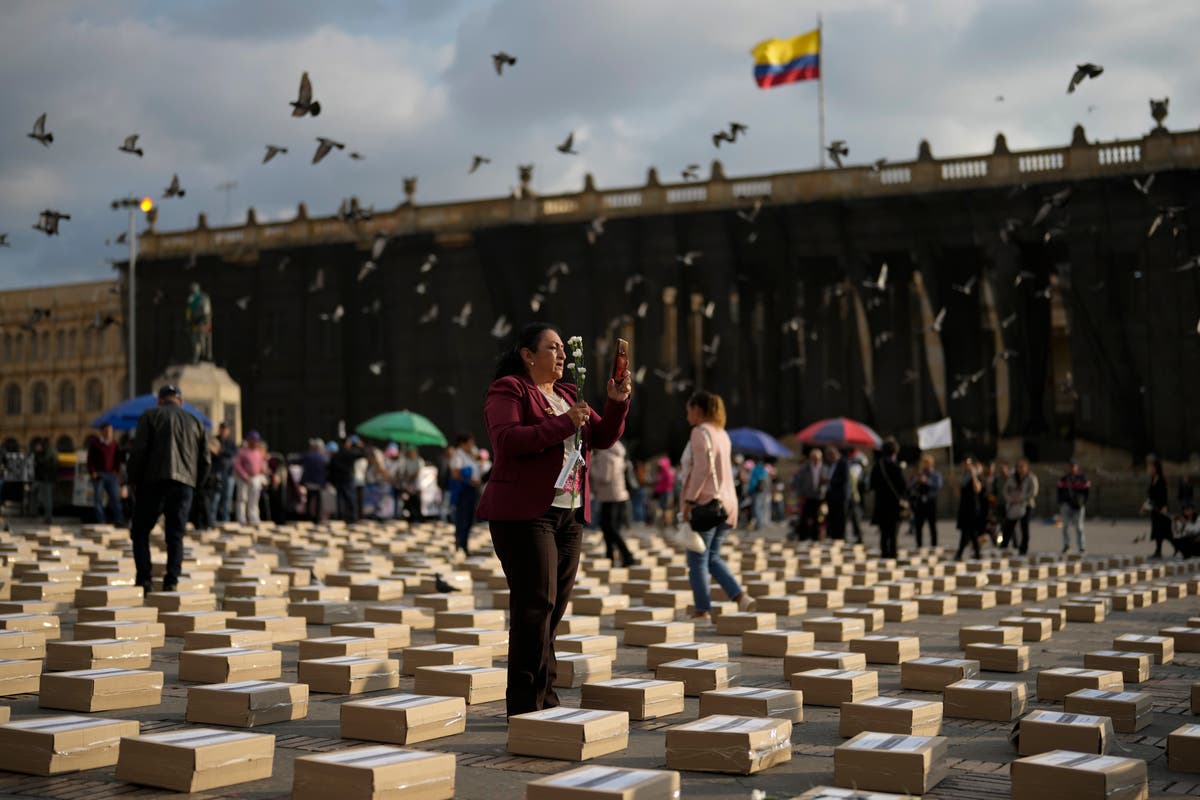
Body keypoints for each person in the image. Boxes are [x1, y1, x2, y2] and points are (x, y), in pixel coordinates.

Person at [476, 322, 631, 717]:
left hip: (569, 514)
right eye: (553, 348)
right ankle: (527, 705)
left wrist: (615, 402)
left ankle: (545, 698)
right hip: (525, 514)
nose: (562, 354)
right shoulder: (510, 389)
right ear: (528, 355)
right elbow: (508, 440)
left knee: (553, 608)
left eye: (564, 348)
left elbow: (603, 437)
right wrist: (566, 423)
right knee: (535, 605)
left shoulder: (566, 393)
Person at [127, 384, 210, 593]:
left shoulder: (150, 415)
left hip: (153, 482)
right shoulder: (196, 421)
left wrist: (133, 481)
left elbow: (138, 452)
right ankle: (171, 581)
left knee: (140, 531)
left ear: (160, 400)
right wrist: (195, 486)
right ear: (180, 401)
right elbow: (206, 461)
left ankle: (145, 580)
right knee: (175, 535)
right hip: (184, 485)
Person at [680, 391, 754, 621]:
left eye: (689, 410)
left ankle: (702, 610)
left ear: (698, 410)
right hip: (726, 504)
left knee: (698, 560)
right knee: (712, 557)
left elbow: (701, 469)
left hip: (706, 504)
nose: (687, 415)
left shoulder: (699, 432)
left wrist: (690, 501)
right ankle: (740, 597)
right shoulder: (722, 433)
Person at [592, 440, 636, 567]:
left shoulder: (604, 455)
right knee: (610, 528)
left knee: (610, 528)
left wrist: (591, 467)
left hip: (609, 496)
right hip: (619, 495)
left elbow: (604, 477)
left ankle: (626, 555)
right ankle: (610, 555)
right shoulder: (618, 453)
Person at [869, 438, 906, 558]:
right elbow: (903, 487)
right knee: (893, 534)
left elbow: (872, 485)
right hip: (894, 505)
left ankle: (884, 558)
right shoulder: (896, 467)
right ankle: (893, 559)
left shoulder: (877, 467)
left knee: (884, 534)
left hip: (881, 505)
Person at [450, 433, 482, 556]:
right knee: (462, 519)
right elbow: (455, 474)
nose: (472, 445)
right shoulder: (458, 455)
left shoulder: (470, 455)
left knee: (469, 519)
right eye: (470, 442)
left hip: (471, 490)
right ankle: (460, 546)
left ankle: (464, 545)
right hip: (464, 490)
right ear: (463, 443)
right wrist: (470, 481)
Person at [87, 423, 124, 526]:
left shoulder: (114, 444)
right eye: (107, 431)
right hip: (99, 475)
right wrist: (92, 471)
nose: (109, 433)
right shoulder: (95, 443)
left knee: (115, 498)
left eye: (111, 431)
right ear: (102, 432)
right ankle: (101, 521)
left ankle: (118, 520)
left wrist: (116, 471)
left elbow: (118, 460)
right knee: (98, 499)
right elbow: (90, 459)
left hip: (111, 475)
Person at [1002, 459, 1039, 555]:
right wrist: (1010, 499)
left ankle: (1023, 549)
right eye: (1018, 467)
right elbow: (1005, 490)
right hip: (1013, 505)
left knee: (1024, 527)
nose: (1020, 469)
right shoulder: (1012, 477)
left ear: (1026, 467)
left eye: (1022, 467)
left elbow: (1033, 492)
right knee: (1009, 526)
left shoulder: (1031, 477)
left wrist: (1022, 499)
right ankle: (1004, 546)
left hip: (1026, 505)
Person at [790, 448, 826, 541]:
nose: (816, 461)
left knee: (818, 518)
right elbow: (798, 482)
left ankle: (815, 537)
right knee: (804, 517)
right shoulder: (804, 468)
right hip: (807, 496)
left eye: (818, 458)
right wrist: (800, 493)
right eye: (814, 458)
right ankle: (803, 536)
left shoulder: (824, 468)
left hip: (819, 496)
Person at [1057, 460, 1091, 554]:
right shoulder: (1065, 478)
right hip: (1066, 504)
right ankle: (1066, 545)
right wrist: (1061, 502)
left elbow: (1087, 491)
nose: (1072, 468)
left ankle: (1081, 547)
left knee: (1079, 527)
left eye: (1074, 466)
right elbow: (1059, 490)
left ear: (1077, 467)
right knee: (1065, 526)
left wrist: (1083, 502)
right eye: (1070, 466)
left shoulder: (1083, 478)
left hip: (1078, 505)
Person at [909, 454, 942, 547]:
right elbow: (911, 486)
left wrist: (927, 481)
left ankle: (934, 545)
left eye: (927, 463)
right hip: (920, 502)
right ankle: (919, 545)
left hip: (931, 501)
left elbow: (938, 486)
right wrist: (917, 479)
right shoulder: (919, 474)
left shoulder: (935, 474)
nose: (925, 465)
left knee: (932, 525)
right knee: (918, 525)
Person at [233, 431, 266, 525]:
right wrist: (244, 475)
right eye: (254, 440)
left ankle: (253, 518)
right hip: (244, 478)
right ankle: (241, 518)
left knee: (254, 499)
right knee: (242, 499)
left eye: (257, 441)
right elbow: (237, 465)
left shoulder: (258, 452)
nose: (256, 442)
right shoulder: (242, 452)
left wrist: (263, 473)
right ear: (249, 440)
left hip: (255, 478)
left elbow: (261, 465)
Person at [955, 457, 983, 561]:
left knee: (969, 531)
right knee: (969, 532)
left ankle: (960, 553)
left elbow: (977, 489)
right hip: (964, 506)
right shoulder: (963, 477)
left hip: (973, 507)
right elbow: (959, 493)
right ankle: (977, 553)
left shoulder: (976, 475)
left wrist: (973, 475)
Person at [329, 436, 363, 522]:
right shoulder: (349, 453)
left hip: (339, 480)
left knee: (340, 500)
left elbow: (330, 469)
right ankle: (353, 518)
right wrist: (360, 446)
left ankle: (340, 518)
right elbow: (363, 454)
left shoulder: (335, 455)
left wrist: (332, 480)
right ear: (346, 444)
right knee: (351, 499)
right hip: (348, 479)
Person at [208, 422, 237, 523]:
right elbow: (212, 452)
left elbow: (233, 453)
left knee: (227, 498)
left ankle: (225, 520)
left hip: (229, 474)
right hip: (217, 473)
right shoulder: (215, 440)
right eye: (222, 429)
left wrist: (221, 450)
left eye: (226, 429)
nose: (224, 431)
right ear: (220, 429)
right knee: (215, 497)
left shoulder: (231, 442)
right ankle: (212, 520)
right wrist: (220, 451)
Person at [1147, 457, 1172, 558]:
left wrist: (1165, 506)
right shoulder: (1153, 478)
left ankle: (1179, 546)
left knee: (1163, 530)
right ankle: (1158, 551)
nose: (1151, 469)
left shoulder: (1161, 479)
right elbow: (1150, 494)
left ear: (1157, 467)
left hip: (1161, 508)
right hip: (1154, 508)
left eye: (1152, 467)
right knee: (1157, 530)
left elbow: (1164, 493)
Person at [823, 447, 850, 540]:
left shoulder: (844, 463)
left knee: (840, 518)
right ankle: (833, 536)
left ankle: (841, 537)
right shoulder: (831, 465)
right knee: (832, 517)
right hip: (831, 495)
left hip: (841, 496)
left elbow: (845, 479)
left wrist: (830, 480)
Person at [299, 438, 328, 521]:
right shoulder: (323, 457)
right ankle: (317, 518)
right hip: (319, 483)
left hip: (309, 482)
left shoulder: (308, 455)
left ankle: (308, 518)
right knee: (318, 501)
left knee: (309, 500)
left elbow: (298, 460)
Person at [394, 446, 424, 521]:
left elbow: (417, 473)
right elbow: (403, 472)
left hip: (416, 486)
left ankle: (418, 518)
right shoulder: (405, 461)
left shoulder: (419, 461)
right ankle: (411, 518)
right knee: (409, 503)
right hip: (408, 486)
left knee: (417, 503)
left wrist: (409, 478)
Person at [32, 438, 57, 523]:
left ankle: (48, 518)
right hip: (47, 478)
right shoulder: (52, 451)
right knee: (43, 497)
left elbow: (43, 462)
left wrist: (37, 453)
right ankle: (38, 513)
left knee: (47, 499)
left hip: (47, 478)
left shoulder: (49, 452)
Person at [651, 455, 675, 527]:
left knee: (666, 508)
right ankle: (663, 522)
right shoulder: (662, 472)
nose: (660, 466)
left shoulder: (667, 472)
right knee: (663, 507)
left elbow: (670, 483)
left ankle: (667, 523)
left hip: (666, 492)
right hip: (662, 492)